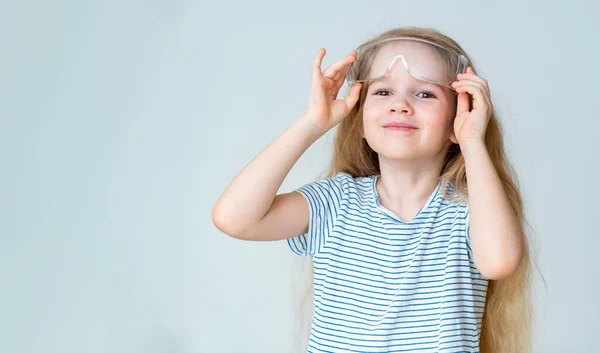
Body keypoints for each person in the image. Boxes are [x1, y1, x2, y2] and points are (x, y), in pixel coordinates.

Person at [212, 26, 535, 353]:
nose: (400, 105)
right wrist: (311, 123)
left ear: (458, 117)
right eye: (383, 92)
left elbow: (499, 262)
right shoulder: (335, 204)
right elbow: (235, 218)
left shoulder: (471, 210)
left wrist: (472, 141)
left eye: (425, 94)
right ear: (362, 121)